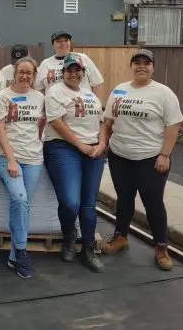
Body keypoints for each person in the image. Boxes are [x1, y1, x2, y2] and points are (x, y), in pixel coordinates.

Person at [101, 49, 183, 271]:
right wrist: (103, 145)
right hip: (120, 156)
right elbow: (108, 122)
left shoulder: (163, 93)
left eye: (146, 63)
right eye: (137, 62)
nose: (141, 66)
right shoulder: (119, 90)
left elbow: (173, 125)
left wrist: (164, 154)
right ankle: (120, 237)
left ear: (153, 67)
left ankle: (161, 246)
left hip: (151, 159)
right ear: (131, 66)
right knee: (124, 199)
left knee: (153, 203)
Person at [43, 53, 106, 273]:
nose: (73, 74)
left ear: (83, 73)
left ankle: (88, 249)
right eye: (69, 70)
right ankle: (69, 235)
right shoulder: (55, 92)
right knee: (71, 202)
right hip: (63, 148)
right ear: (63, 73)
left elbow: (102, 123)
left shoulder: (90, 95)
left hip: (93, 150)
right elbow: (56, 122)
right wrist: (80, 145)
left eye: (77, 70)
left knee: (89, 204)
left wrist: (101, 145)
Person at [0, 57, 45, 279]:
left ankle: (15, 256)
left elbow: (41, 124)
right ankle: (22, 252)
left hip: (33, 158)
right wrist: (12, 159)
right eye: (21, 72)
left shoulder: (40, 97)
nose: (25, 76)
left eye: (29, 73)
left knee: (24, 205)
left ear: (34, 76)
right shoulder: (2, 96)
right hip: (6, 157)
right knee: (20, 198)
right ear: (14, 73)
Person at [36, 30, 104, 96]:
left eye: (66, 40)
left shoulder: (82, 58)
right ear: (53, 45)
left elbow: (97, 83)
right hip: (56, 105)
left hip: (81, 104)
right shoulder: (45, 64)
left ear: (70, 42)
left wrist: (96, 103)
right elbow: (40, 89)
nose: (63, 44)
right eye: (58, 41)